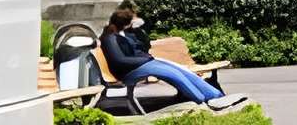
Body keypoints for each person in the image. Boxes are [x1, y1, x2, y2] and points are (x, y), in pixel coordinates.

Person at [98, 7, 243, 111]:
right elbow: (119, 60)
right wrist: (146, 60)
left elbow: (144, 45)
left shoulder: (125, 34)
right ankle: (202, 100)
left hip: (140, 65)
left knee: (181, 72)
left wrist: (138, 30)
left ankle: (215, 96)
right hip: (129, 71)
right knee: (173, 74)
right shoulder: (109, 38)